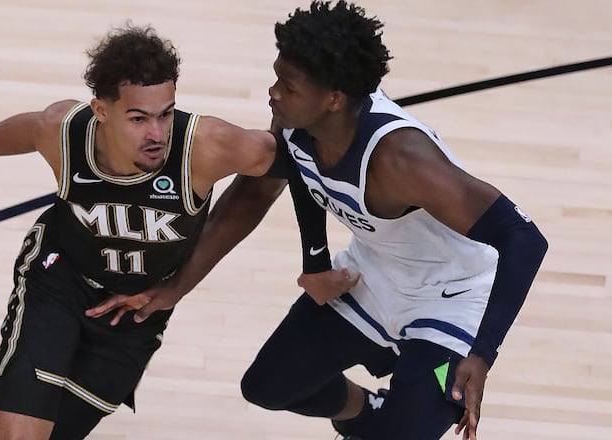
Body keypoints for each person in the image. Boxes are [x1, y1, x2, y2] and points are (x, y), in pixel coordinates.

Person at [87, 2, 549, 440]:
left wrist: (482, 351)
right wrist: (179, 287)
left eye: (288, 86)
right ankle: (366, 412)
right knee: (268, 385)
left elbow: (524, 239)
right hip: (374, 274)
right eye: (277, 79)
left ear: (333, 98)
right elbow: (260, 190)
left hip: (452, 299)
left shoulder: (402, 158)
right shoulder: (296, 124)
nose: (273, 92)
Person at [0, 24, 317, 440]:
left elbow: (283, 172)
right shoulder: (64, 130)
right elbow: (17, 131)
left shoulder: (208, 145)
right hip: (59, 279)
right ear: (101, 111)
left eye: (166, 113)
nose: (157, 133)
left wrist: (178, 287)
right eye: (138, 118)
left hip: (137, 308)